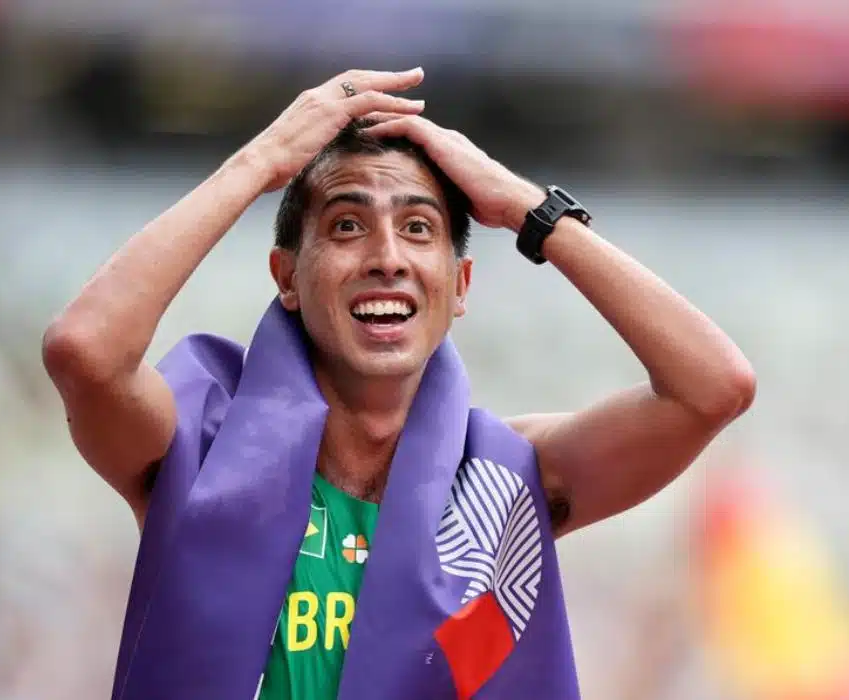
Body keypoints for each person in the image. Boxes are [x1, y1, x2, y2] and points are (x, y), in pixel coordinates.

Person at [42, 67, 755, 700]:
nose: (387, 257)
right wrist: (261, 163)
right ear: (287, 277)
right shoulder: (201, 450)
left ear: (459, 285)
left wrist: (527, 210)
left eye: (418, 228)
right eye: (347, 226)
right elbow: (84, 350)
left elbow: (713, 386)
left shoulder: (510, 483)